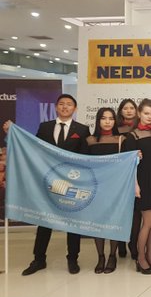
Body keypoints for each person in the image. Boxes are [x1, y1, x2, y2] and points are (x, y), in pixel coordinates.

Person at [14, 94, 90, 275]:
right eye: (61, 104)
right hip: (48, 181)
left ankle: (73, 259)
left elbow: (86, 157)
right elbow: (34, 148)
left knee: (73, 222)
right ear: (56, 107)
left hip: (72, 182)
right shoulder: (45, 127)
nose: (65, 107)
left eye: (69, 104)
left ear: (75, 109)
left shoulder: (82, 129)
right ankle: (39, 259)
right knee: (45, 220)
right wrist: (14, 133)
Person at [87, 107, 136, 274]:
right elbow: (83, 164)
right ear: (98, 120)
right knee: (97, 223)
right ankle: (100, 256)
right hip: (96, 188)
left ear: (115, 121)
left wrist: (137, 156)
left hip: (116, 187)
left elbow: (129, 162)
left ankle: (112, 256)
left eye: (111, 118)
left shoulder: (122, 139)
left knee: (114, 221)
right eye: (103, 118)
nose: (107, 121)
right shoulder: (90, 140)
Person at [129, 98, 151, 275]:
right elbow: (129, 165)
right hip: (142, 181)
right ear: (139, 113)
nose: (149, 116)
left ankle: (150, 255)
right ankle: (140, 258)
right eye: (146, 113)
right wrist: (135, 185)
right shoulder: (132, 136)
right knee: (147, 222)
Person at [116, 98, 139, 259]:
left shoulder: (140, 129)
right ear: (121, 111)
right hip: (119, 175)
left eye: (132, 108)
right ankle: (120, 243)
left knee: (136, 212)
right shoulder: (115, 129)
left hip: (137, 174)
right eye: (125, 108)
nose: (129, 111)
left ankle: (133, 243)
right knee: (120, 210)